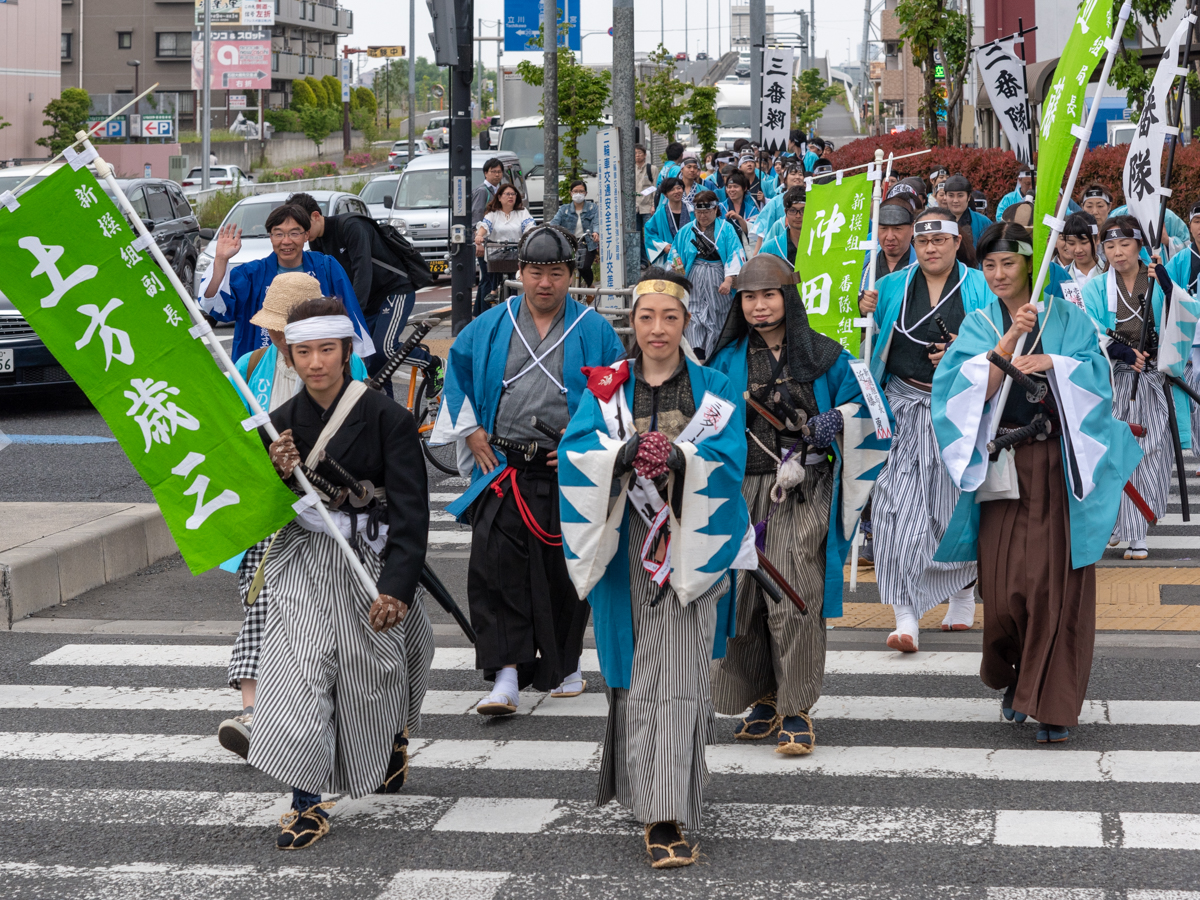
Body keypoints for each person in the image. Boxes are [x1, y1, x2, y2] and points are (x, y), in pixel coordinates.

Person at [556, 267, 753, 869]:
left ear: (686, 322)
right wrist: (621, 452)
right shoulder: (605, 392)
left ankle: (665, 813)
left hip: (692, 542)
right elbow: (575, 453)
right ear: (632, 325)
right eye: (647, 317)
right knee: (639, 673)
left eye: (670, 317)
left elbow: (730, 460)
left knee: (679, 676)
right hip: (627, 541)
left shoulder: (716, 389)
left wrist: (682, 455)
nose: (658, 328)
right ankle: (652, 796)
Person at [932, 223, 1140, 743]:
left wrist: (1056, 362)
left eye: (1008, 262)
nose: (999, 274)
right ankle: (1018, 673)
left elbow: (1100, 382)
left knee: (1055, 586)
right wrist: (1006, 344)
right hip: (1002, 466)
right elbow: (956, 398)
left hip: (1057, 467)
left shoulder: (1069, 317)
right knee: (1004, 589)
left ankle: (1055, 704)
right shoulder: (979, 323)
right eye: (990, 265)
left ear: (1030, 262)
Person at [248, 296, 433, 850]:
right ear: (291, 355)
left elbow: (411, 511)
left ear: (347, 350)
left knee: (381, 668)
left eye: (326, 349)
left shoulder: (389, 419)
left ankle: (393, 736)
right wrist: (276, 474)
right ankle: (307, 800)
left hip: (370, 560)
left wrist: (398, 588)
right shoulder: (277, 425)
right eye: (303, 351)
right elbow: (268, 506)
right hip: (307, 560)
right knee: (302, 670)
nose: (315, 363)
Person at [430, 224, 626, 712]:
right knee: (496, 571)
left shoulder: (595, 330)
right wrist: (471, 429)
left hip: (566, 468)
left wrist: (586, 445)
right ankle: (507, 673)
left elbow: (615, 399)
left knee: (567, 571)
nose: (545, 283)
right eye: (536, 272)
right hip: (503, 466)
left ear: (571, 276)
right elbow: (457, 374)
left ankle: (565, 664)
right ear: (521, 273)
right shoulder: (491, 325)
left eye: (555, 273)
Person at [708, 254, 892, 756]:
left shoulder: (828, 355)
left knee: (792, 594)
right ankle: (761, 697)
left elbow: (876, 412)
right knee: (741, 598)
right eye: (749, 297)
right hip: (739, 489)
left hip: (802, 488)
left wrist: (837, 418)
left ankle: (797, 708)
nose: (759, 305)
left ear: (788, 298)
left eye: (768, 295)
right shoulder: (724, 361)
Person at [216, 273, 371, 758]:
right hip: (270, 508)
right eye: (278, 333)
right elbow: (236, 439)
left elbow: (365, 438)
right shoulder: (250, 364)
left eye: (288, 331)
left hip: (333, 516)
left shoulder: (354, 369)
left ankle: (348, 719)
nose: (283, 342)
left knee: (327, 619)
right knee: (261, 603)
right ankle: (253, 711)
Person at [858, 208, 996, 650]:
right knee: (895, 508)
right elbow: (866, 342)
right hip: (900, 404)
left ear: (958, 242)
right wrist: (865, 314)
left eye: (940, 240)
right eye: (923, 242)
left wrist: (963, 350)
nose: (931, 248)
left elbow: (1001, 337)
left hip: (957, 409)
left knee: (951, 507)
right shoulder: (890, 286)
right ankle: (906, 614)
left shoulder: (979, 285)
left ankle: (961, 593)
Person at [1081, 215, 1200, 559]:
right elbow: (1090, 330)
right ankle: (1125, 527)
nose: (1117, 252)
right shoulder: (1094, 288)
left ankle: (1134, 529)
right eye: (1110, 245)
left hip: (1154, 380)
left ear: (1138, 246)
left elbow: (1185, 313)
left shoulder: (1155, 279)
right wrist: (1118, 349)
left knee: (1153, 454)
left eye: (1124, 244)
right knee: (1115, 452)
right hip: (1115, 380)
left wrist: (1165, 286)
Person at [199, 203, 373, 362]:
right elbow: (215, 306)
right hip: (265, 369)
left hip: (316, 363)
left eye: (294, 233)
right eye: (279, 234)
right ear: (271, 237)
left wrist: (356, 367)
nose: (286, 241)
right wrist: (221, 259)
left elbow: (350, 316)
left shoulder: (326, 267)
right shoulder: (252, 273)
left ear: (306, 236)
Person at [290, 192, 422, 392]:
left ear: (316, 216)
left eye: (303, 228)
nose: (303, 235)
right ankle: (386, 415)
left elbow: (363, 272)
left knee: (384, 350)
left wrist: (349, 315)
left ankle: (433, 364)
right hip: (367, 302)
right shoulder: (316, 240)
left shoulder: (351, 226)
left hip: (394, 290)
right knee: (373, 364)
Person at [668, 189, 746, 359]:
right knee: (693, 313)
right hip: (692, 275)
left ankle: (716, 354)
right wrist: (676, 268)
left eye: (706, 211)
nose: (702, 216)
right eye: (699, 212)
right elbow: (675, 252)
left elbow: (734, 255)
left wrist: (728, 280)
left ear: (715, 209)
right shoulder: (687, 230)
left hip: (717, 276)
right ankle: (696, 353)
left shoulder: (726, 229)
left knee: (718, 313)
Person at [474, 183, 537, 304]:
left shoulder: (522, 212)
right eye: (507, 194)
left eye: (513, 194)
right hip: (497, 251)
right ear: (499, 197)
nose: (511, 197)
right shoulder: (493, 214)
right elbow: (485, 226)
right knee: (494, 262)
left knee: (518, 275)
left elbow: (529, 225)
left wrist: (531, 234)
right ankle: (494, 290)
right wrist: (479, 235)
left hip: (516, 250)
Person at [550, 180, 601, 287]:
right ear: (571, 193)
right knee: (565, 267)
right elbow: (554, 223)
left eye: (581, 191)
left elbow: (596, 222)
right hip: (569, 243)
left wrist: (596, 232)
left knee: (584, 266)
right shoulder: (564, 209)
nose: (578, 194)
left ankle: (590, 286)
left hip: (587, 243)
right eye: (575, 191)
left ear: (586, 193)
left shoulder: (593, 208)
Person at [472, 157, 506, 314]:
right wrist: (479, 242)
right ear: (485, 173)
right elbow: (477, 217)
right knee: (488, 277)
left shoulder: (500, 191)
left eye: (499, 172)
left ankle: (478, 312)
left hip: (495, 241)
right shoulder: (482, 191)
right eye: (493, 172)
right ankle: (484, 313)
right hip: (485, 241)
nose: (497, 175)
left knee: (488, 277)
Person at [861, 199, 917, 290]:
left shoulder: (922, 267)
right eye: (883, 228)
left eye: (897, 228)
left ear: (912, 228)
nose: (890, 237)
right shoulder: (864, 265)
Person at [752, 162, 807, 254]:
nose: (797, 177)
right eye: (793, 174)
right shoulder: (775, 202)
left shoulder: (811, 199)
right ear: (785, 180)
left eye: (800, 174)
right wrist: (756, 255)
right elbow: (763, 229)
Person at [941, 174, 992, 267]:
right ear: (945, 196)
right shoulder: (938, 220)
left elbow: (989, 254)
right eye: (951, 195)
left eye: (960, 196)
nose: (955, 200)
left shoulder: (984, 222)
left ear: (968, 197)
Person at [644, 177, 691, 266]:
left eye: (679, 188)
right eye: (672, 189)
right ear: (665, 194)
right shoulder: (660, 214)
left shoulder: (691, 211)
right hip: (669, 258)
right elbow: (649, 233)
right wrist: (663, 246)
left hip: (689, 256)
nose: (677, 191)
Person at [759, 186, 806, 265]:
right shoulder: (769, 248)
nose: (798, 216)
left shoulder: (821, 244)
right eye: (792, 210)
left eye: (803, 210)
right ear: (785, 212)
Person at [718, 171, 761, 252]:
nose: (732, 190)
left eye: (735, 186)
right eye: (729, 187)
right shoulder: (719, 208)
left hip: (746, 251)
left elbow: (755, 234)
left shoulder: (753, 210)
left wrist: (740, 219)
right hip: (725, 250)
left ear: (745, 188)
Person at [1062, 212, 1104, 290]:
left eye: (1084, 242)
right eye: (1071, 243)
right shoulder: (1062, 276)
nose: (1078, 250)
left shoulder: (1110, 272)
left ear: (1097, 238)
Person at [635, 145, 658, 264]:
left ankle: (653, 259)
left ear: (645, 155)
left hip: (648, 207)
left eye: (639, 153)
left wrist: (654, 205)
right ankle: (643, 261)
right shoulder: (630, 169)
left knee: (649, 234)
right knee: (637, 235)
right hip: (635, 208)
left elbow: (655, 188)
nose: (637, 155)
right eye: (635, 153)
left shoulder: (651, 169)